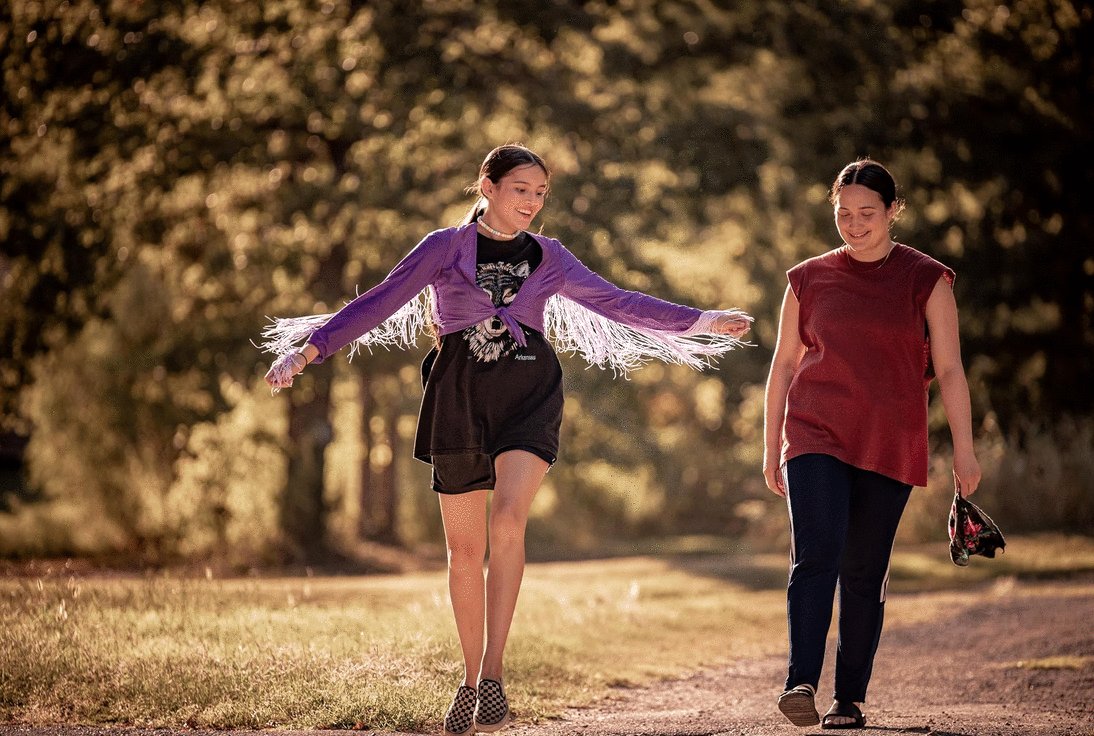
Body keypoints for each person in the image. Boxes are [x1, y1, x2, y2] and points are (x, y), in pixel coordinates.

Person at [261, 144, 752, 736]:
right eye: (521, 188)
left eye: (540, 192)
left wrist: (701, 321)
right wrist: (309, 348)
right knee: (464, 552)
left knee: (508, 524)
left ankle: (494, 670)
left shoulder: (551, 256)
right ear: (486, 187)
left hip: (529, 395)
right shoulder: (445, 248)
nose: (532, 201)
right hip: (458, 398)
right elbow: (380, 301)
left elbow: (618, 302)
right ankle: (470, 682)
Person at [762, 159, 981, 730]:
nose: (854, 224)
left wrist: (965, 450)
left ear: (892, 211)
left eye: (866, 213)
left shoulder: (927, 278)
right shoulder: (806, 278)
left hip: (890, 438)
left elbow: (952, 371)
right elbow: (784, 365)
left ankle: (849, 697)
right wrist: (771, 445)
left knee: (863, 570)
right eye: (843, 213)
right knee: (816, 556)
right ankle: (800, 682)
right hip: (814, 432)